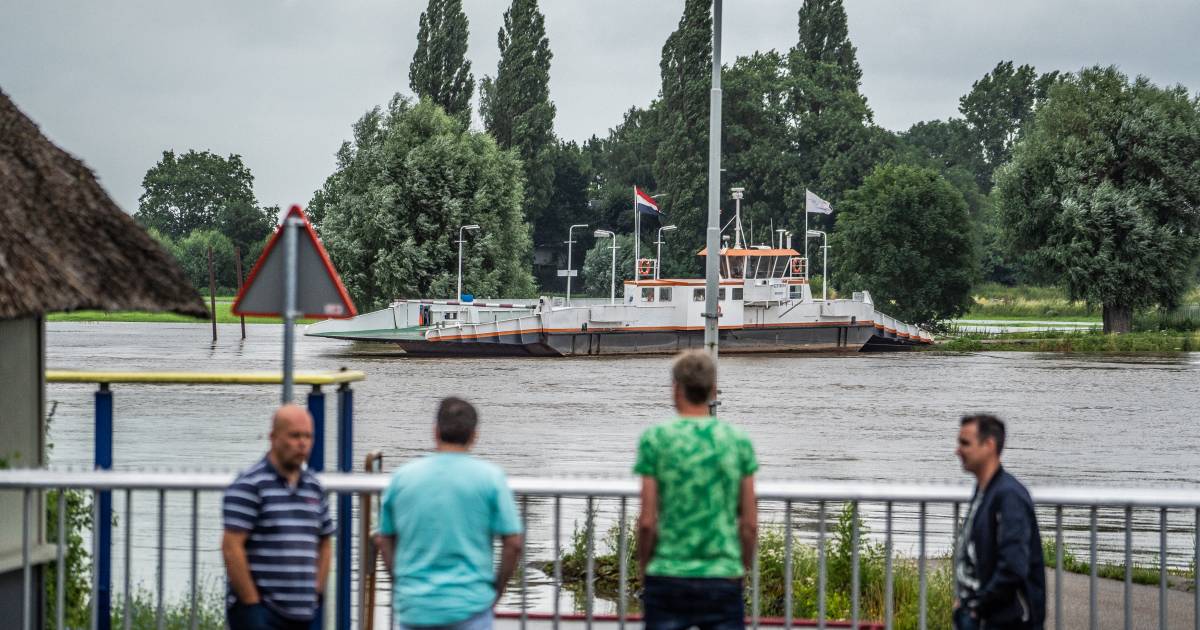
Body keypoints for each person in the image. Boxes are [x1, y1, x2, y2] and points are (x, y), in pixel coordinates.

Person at [635, 350, 758, 630]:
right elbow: (750, 524)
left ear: (675, 389)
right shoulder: (737, 441)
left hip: (667, 575)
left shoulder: (656, 439)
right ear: (713, 390)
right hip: (722, 576)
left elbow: (646, 522)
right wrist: (740, 569)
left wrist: (645, 570)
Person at [375, 397, 523, 630]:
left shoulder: (402, 477)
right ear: (474, 435)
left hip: (415, 607)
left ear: (435, 432)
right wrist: (494, 593)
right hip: (471, 605)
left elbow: (384, 539)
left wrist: (402, 585)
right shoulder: (490, 478)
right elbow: (513, 543)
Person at [222, 404, 333, 630]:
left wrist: (316, 593)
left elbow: (325, 542)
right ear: (273, 437)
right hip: (261, 613)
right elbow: (231, 547)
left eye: (308, 436)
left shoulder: (314, 487)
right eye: (294, 436)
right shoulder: (250, 485)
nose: (302, 443)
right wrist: (252, 604)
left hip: (303, 613)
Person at [954, 414, 1045, 630]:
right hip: (979, 616)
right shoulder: (984, 491)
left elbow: (1013, 566)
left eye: (965, 443)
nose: (957, 450)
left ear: (989, 445)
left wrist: (979, 605)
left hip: (1000, 621)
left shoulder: (1009, 496)